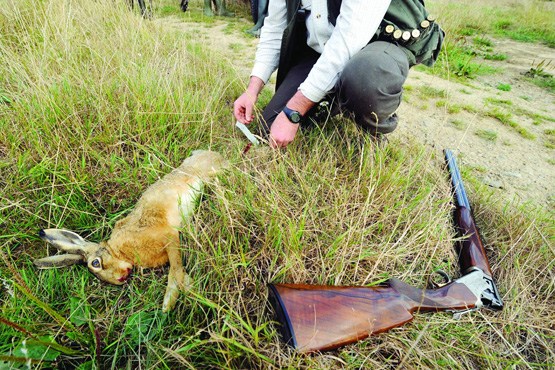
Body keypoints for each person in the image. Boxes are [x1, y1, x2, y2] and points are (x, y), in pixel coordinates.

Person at [233, 0, 411, 148]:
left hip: (377, 44)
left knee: (365, 79)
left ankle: (373, 130)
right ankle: (333, 101)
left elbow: (347, 43)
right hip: (323, 49)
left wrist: (293, 112)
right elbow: (274, 29)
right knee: (270, 127)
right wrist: (252, 90)